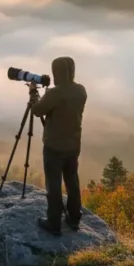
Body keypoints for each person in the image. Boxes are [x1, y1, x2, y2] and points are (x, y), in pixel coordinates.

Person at [29, 56, 87, 236]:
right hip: (73, 144)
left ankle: (54, 223)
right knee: (72, 181)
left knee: (53, 184)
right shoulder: (80, 91)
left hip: (54, 147)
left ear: (56, 73)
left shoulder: (54, 94)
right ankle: (74, 217)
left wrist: (33, 93)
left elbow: (37, 110)